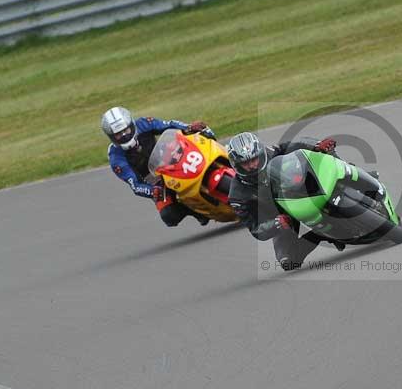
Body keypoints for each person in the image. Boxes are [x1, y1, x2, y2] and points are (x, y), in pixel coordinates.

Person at [226, 131, 342, 271]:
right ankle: (321, 234)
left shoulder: (272, 152)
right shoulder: (237, 195)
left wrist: (317, 146)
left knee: (325, 155)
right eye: (246, 163)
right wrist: (276, 223)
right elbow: (256, 229)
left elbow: (295, 145)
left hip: (301, 188)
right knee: (288, 261)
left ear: (261, 153)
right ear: (237, 165)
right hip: (284, 216)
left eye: (254, 159)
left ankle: (352, 174)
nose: (252, 165)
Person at [101, 106, 213, 227]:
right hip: (154, 180)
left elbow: (168, 125)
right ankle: (196, 211)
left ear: (132, 125)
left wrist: (189, 127)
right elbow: (135, 185)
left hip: (168, 159)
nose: (124, 135)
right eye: (118, 134)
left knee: (195, 142)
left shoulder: (143, 124)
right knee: (169, 216)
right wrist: (152, 191)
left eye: (126, 130)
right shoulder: (115, 157)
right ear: (111, 137)